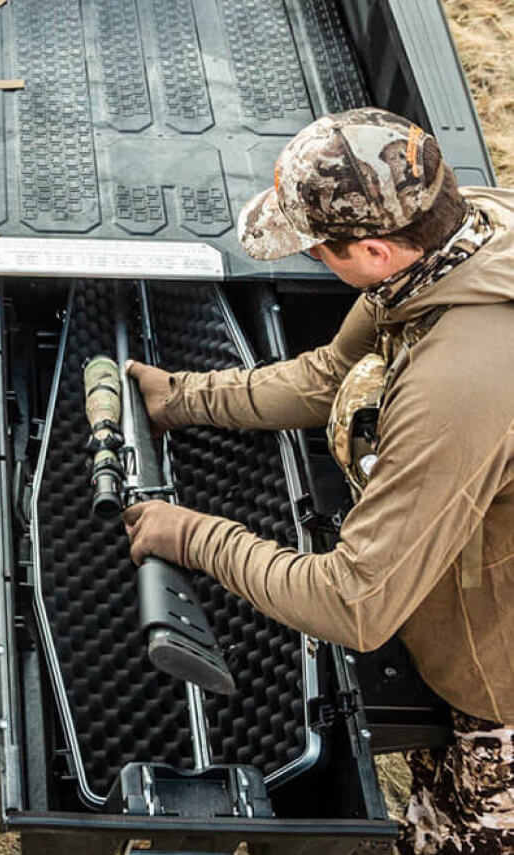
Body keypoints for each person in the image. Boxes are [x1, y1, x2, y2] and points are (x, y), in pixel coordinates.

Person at [124, 108, 514, 854]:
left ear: (374, 249)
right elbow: (331, 373)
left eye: (319, 251)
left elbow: (353, 603)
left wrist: (195, 534)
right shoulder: (460, 231)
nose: (311, 261)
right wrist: (183, 397)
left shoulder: (459, 383)